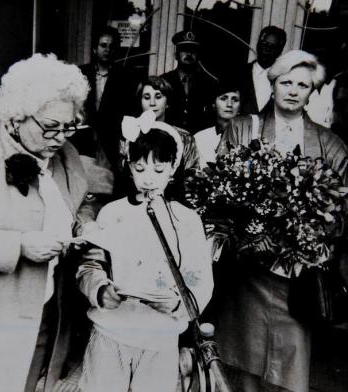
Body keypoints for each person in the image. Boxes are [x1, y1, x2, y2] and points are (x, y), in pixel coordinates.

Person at [0, 53, 99, 392]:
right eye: (50, 127)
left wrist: (84, 226)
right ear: (17, 116)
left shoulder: (66, 155)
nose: (61, 137)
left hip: (44, 319)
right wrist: (18, 246)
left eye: (69, 126)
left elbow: (79, 202)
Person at [214, 50, 348, 392]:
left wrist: (302, 241)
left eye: (302, 85)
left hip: (297, 280)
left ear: (312, 91)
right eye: (285, 82)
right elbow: (220, 192)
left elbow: (340, 213)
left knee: (289, 369)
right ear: (271, 84)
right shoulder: (243, 128)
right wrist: (252, 231)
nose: (292, 90)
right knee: (241, 363)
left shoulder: (331, 145)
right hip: (246, 273)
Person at [76, 118, 213, 392]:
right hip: (111, 332)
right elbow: (90, 264)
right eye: (140, 168)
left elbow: (202, 279)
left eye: (158, 169)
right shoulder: (112, 213)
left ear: (173, 167)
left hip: (160, 337)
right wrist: (100, 290)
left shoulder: (187, 220)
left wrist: (178, 305)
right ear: (129, 166)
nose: (148, 178)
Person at [117, 75, 200, 201]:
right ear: (140, 101)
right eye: (146, 97)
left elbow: (191, 178)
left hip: (175, 202)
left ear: (167, 102)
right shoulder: (130, 134)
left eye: (158, 96)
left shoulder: (184, 138)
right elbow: (124, 179)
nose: (152, 103)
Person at [78, 26, 135, 168]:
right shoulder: (81, 73)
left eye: (111, 46)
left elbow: (128, 110)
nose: (107, 49)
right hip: (84, 138)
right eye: (103, 45)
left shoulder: (125, 76)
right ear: (94, 48)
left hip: (112, 141)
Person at [161, 30, 215, 134]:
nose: (189, 54)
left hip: (199, 142)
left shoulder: (209, 84)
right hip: (168, 139)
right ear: (176, 55)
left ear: (198, 55)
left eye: (193, 50)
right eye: (184, 50)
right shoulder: (164, 81)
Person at [195, 78, 241, 168]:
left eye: (235, 100)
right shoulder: (200, 138)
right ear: (213, 104)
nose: (229, 104)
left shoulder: (246, 135)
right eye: (223, 99)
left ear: (240, 107)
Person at [240, 25, 286, 115]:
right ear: (257, 45)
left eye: (272, 46)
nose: (267, 49)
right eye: (264, 44)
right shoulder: (238, 73)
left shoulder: (284, 79)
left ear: (280, 51)